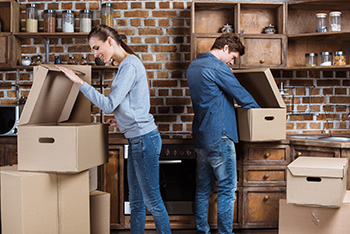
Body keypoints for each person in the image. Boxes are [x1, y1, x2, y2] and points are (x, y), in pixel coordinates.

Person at [56, 24, 171, 234]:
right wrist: (122, 120)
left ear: (110, 41)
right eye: (92, 50)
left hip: (144, 140)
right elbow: (132, 104)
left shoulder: (129, 65)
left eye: (96, 47)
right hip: (138, 138)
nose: (95, 54)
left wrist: (79, 82)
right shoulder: (125, 65)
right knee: (136, 202)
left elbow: (109, 104)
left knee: (152, 201)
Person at [186, 33, 260, 234]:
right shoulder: (218, 67)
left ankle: (202, 231)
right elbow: (241, 95)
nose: (232, 63)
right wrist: (262, 114)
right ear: (226, 48)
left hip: (201, 136)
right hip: (220, 136)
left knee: (203, 189)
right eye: (233, 57)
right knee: (227, 189)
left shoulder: (193, 67)